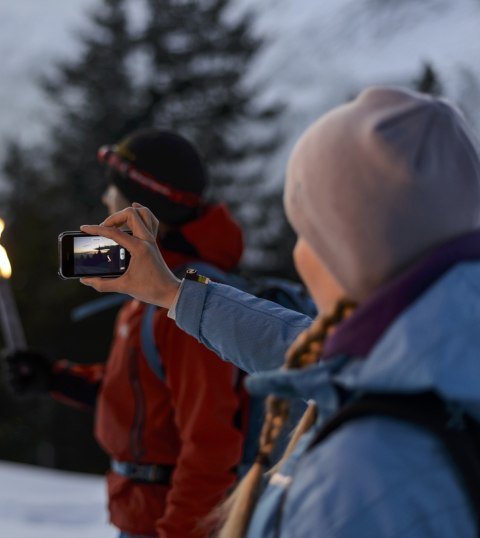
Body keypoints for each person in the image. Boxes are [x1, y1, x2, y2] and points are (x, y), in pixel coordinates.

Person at [79, 86, 480, 537]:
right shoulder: (432, 358)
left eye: (305, 232)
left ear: (344, 250)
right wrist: (173, 295)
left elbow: (211, 440)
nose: (298, 254)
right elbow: (298, 345)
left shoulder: (361, 478)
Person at [5, 129, 251, 538]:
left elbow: (211, 444)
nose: (105, 199)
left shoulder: (190, 303)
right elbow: (142, 396)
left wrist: (178, 532)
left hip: (169, 521)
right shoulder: (153, 290)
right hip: (140, 513)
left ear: (142, 206)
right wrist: (57, 378)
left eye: (113, 188)